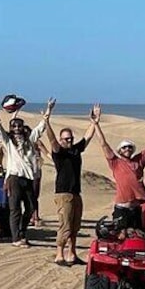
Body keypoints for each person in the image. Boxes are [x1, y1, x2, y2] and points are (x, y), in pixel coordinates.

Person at [94, 108, 145, 229]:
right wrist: (96, 124)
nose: (127, 149)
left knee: (138, 237)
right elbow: (103, 144)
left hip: (136, 209)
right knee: (120, 238)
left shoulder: (139, 160)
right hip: (121, 209)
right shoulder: (115, 162)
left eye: (130, 147)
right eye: (124, 148)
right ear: (120, 151)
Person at [0, 96, 54, 247]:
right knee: (15, 209)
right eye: (14, 127)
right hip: (14, 178)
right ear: (11, 129)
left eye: (19, 126)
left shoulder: (30, 140)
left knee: (31, 208)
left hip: (28, 179)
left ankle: (22, 232)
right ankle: (16, 239)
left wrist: (49, 110)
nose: (17, 129)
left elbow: (41, 127)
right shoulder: (8, 143)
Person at [44, 103, 100, 266]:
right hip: (63, 193)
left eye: (70, 138)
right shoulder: (58, 153)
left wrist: (95, 121)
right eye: (66, 139)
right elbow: (52, 140)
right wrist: (47, 121)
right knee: (65, 225)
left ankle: (72, 254)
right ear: (61, 140)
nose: (69, 141)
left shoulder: (76, 150)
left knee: (75, 226)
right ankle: (59, 255)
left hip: (76, 193)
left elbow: (87, 137)